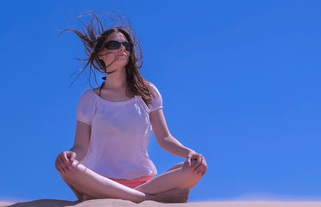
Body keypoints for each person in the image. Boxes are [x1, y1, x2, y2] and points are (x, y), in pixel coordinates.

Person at [55, 14, 207, 203]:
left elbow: (165, 138)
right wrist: (70, 156)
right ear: (101, 53)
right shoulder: (89, 99)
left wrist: (190, 153)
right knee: (66, 166)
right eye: (114, 45)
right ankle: (149, 199)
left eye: (127, 46)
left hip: (144, 180)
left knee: (193, 168)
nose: (122, 49)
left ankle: (125, 197)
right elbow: (80, 147)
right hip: (99, 182)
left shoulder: (147, 92)